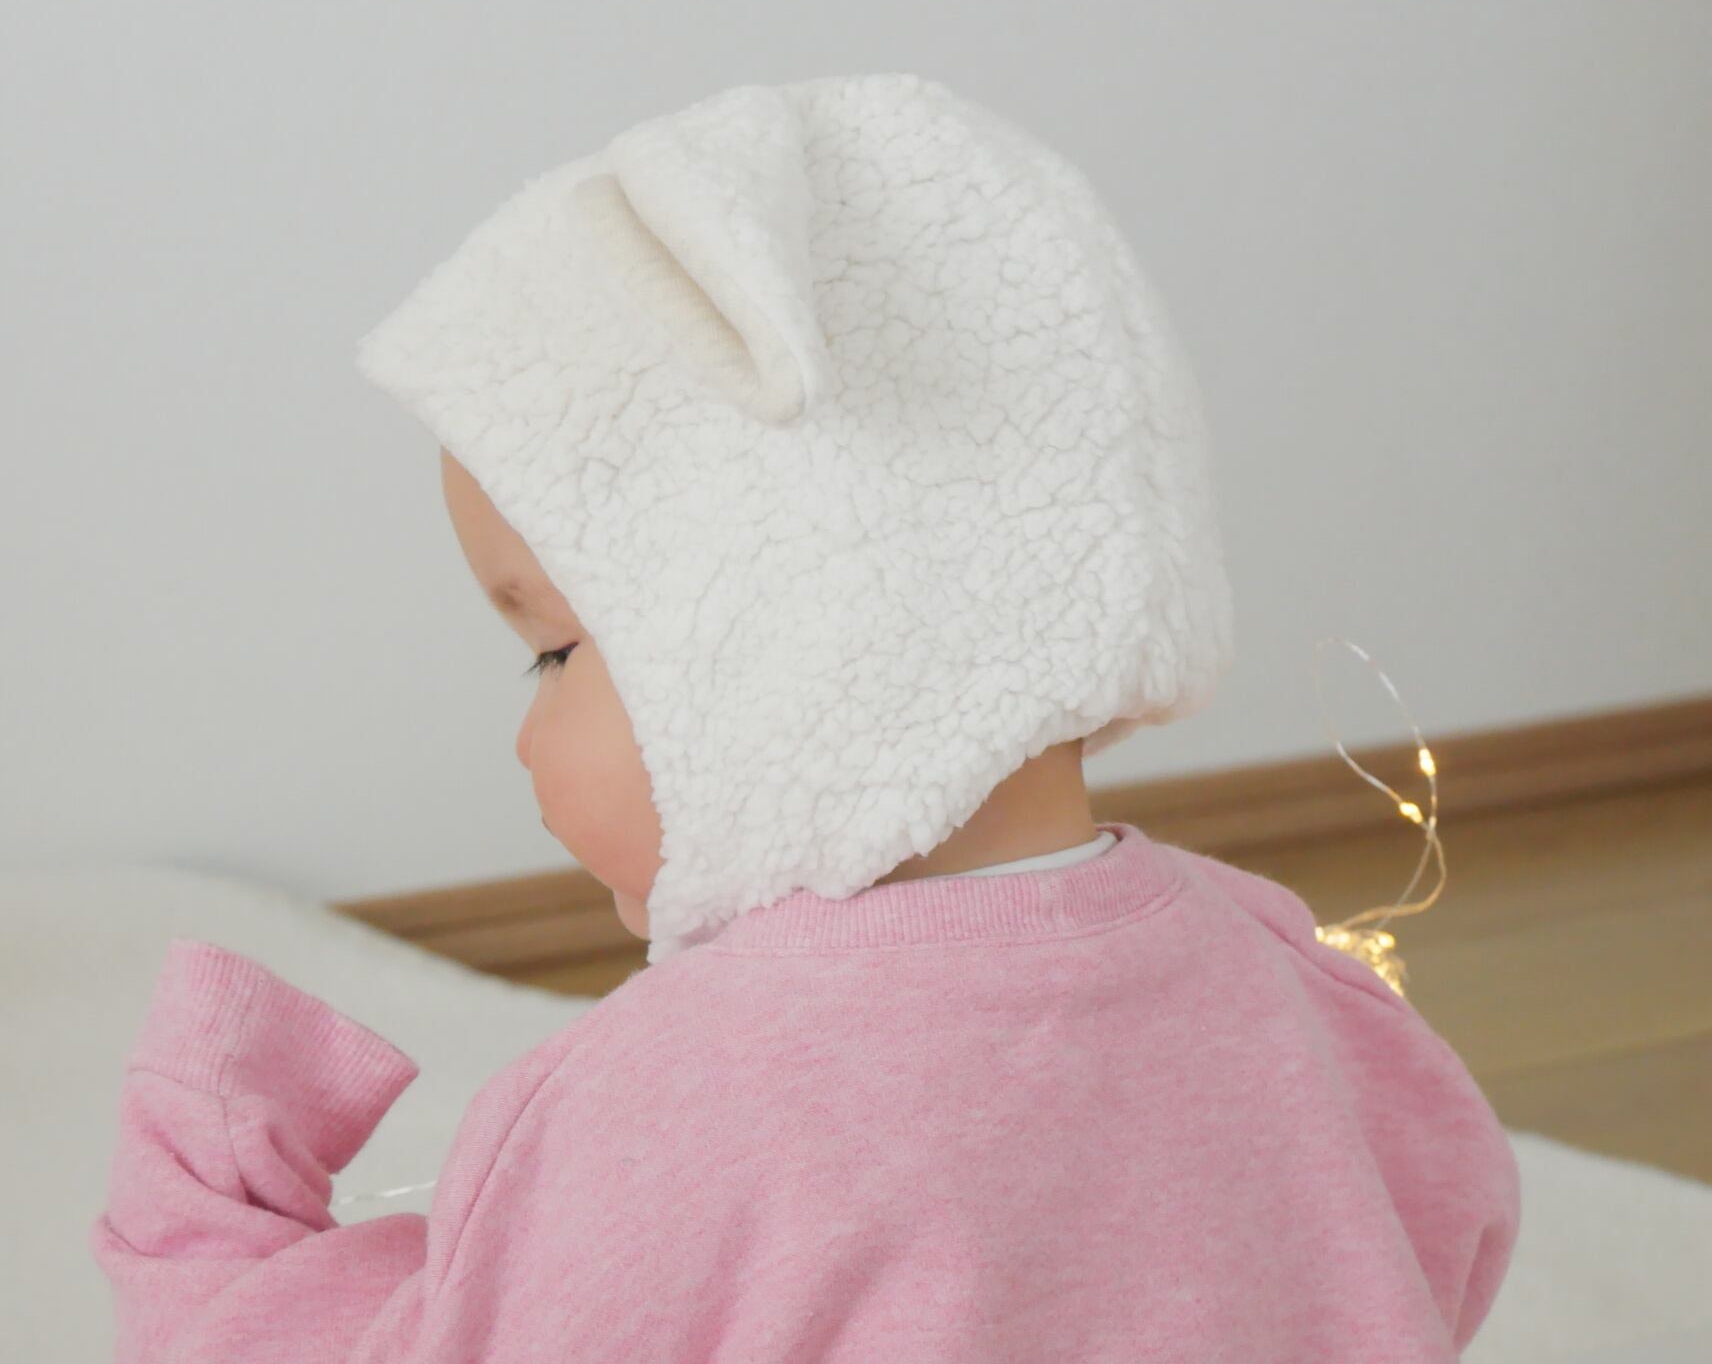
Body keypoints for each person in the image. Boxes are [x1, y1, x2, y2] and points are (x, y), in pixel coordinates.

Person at [89, 72, 1520, 1360]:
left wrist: (207, 1212)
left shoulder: (658, 1105)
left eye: (553, 654)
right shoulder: (1298, 989)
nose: (525, 735)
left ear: (783, 631)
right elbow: (1433, 1257)